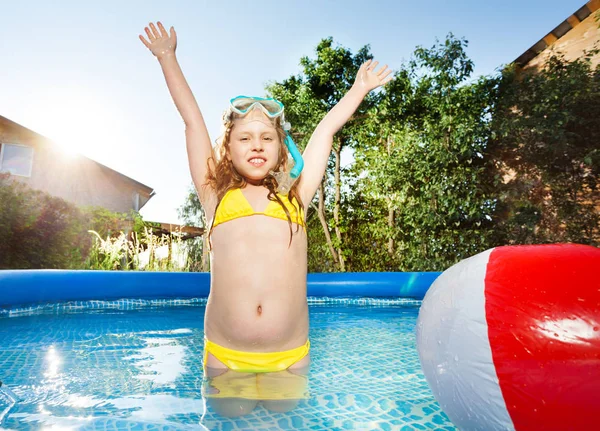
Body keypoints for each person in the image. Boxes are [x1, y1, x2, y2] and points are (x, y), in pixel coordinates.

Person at [140, 21, 392, 416]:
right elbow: (192, 120)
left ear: (281, 149)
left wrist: (359, 88)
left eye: (266, 138)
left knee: (284, 423)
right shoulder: (216, 196)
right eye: (244, 137)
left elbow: (325, 131)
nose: (256, 144)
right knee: (229, 423)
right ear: (228, 149)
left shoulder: (297, 197)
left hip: (288, 356)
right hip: (226, 355)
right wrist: (167, 57)